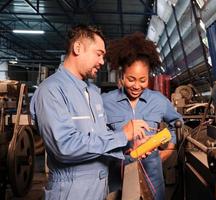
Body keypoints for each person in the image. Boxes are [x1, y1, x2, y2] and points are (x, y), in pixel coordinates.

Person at [30, 25, 149, 200]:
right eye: (98, 54)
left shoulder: (93, 93)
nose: (102, 61)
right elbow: (63, 146)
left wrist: (128, 146)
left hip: (100, 187)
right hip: (71, 190)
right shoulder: (51, 91)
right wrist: (122, 135)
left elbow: (100, 137)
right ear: (78, 48)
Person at [102, 32, 182, 200]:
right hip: (117, 172)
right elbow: (97, 136)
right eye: (131, 79)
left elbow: (177, 122)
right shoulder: (105, 102)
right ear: (122, 76)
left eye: (143, 80)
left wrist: (170, 148)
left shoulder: (158, 100)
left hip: (151, 172)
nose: (137, 86)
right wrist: (121, 139)